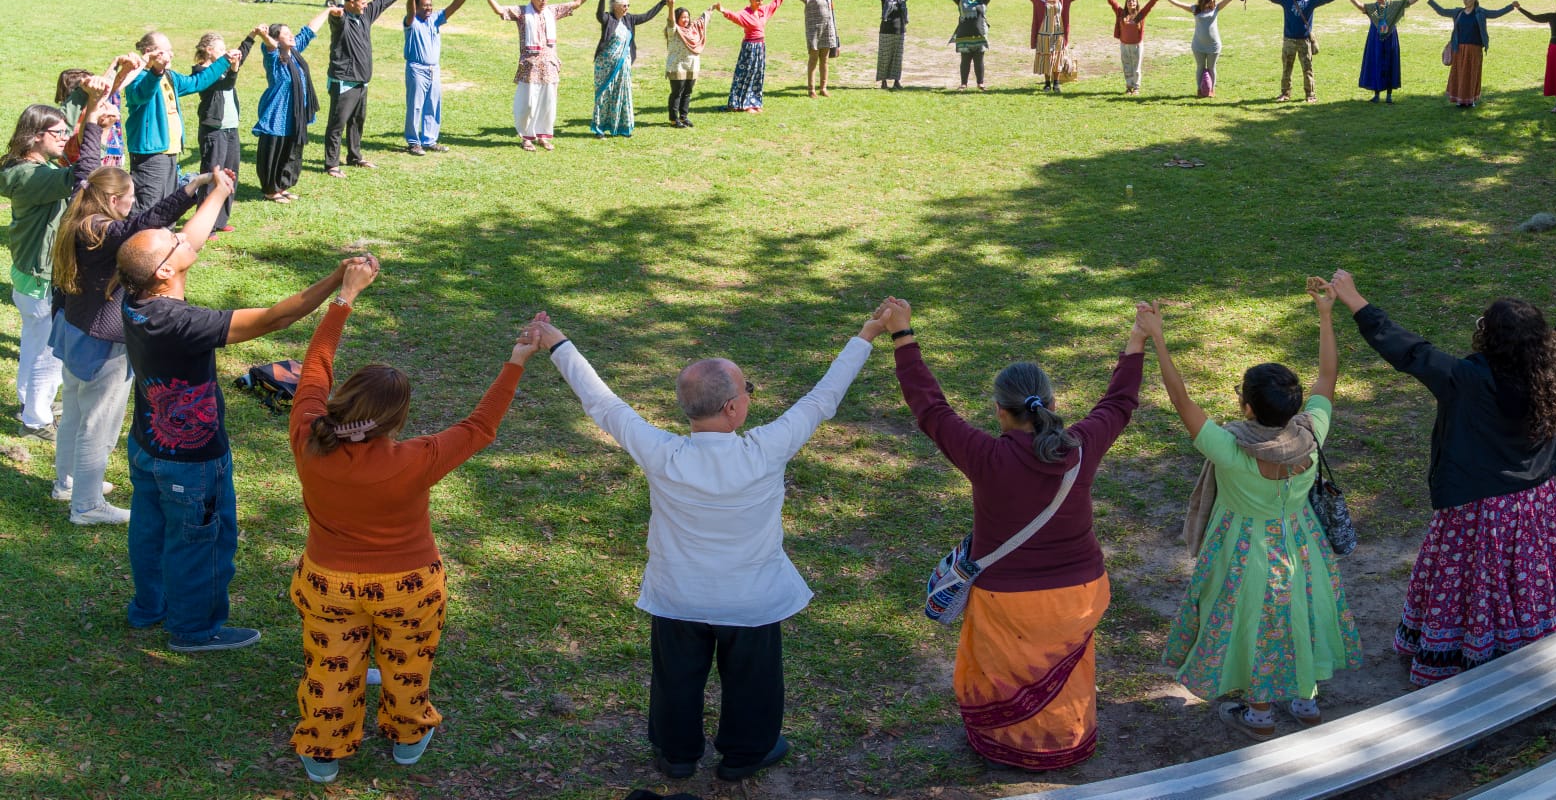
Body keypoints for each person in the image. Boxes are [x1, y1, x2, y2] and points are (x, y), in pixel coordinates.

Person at [526, 305, 887, 784]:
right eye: (748, 390)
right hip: (752, 600)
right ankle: (744, 756)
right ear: (734, 408)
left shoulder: (661, 452)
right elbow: (824, 397)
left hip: (678, 596)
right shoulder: (768, 448)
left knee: (675, 679)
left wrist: (558, 344)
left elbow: (603, 403)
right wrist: (866, 334)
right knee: (754, 684)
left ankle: (676, 756)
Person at [286, 257, 531, 784]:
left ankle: (323, 752)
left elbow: (313, 368)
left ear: (340, 400)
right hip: (410, 585)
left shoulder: (307, 434)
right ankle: (408, 735)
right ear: (396, 421)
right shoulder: (417, 458)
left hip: (327, 582)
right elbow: (481, 426)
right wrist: (516, 359)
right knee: (407, 662)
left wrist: (344, 299)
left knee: (331, 666)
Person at [1335, 215, 1556, 686]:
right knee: (1528, 575)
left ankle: (1474, 650)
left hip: (1478, 509)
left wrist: (1355, 299)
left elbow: (1407, 350)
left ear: (1488, 336)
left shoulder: (1464, 379)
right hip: (1534, 504)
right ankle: (1534, 638)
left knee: (1474, 581)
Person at [883, 297, 1143, 768]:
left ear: (1000, 412)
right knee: (1066, 674)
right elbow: (1119, 403)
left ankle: (1007, 745)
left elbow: (930, 408)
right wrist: (1137, 340)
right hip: (1079, 595)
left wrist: (904, 335)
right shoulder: (1080, 448)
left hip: (1008, 598)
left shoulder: (986, 455)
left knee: (1006, 670)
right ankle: (1067, 738)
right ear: (1053, 404)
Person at [113, 228, 366, 652]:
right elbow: (276, 318)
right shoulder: (182, 324)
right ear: (164, 270)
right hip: (192, 461)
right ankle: (194, 631)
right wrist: (340, 284)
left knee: (150, 529)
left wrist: (216, 191)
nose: (181, 235)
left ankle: (148, 607)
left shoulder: (133, 300)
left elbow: (184, 242)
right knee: (202, 541)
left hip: (146, 445)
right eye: (173, 238)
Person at [1155, 281, 1364, 737]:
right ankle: (1306, 702)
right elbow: (1327, 379)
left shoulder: (1230, 449)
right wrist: (1326, 314)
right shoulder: (1312, 433)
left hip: (1243, 551)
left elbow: (1180, 400)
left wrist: (1156, 337)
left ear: (1246, 406)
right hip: (1303, 544)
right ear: (1293, 406)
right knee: (1300, 613)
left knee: (1253, 624)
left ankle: (1260, 712)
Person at [53, 163, 233, 527]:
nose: (133, 207)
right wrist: (189, 191)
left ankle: (68, 483)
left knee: (74, 412)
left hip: (73, 331)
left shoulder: (80, 214)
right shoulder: (106, 233)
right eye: (130, 200)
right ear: (113, 200)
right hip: (102, 345)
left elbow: (88, 161)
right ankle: (86, 506)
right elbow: (147, 223)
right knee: (98, 423)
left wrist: (94, 121)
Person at [3, 80, 114, 442]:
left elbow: (60, 119)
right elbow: (81, 176)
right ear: (36, 136)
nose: (66, 137)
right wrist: (96, 124)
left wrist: (85, 94)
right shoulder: (32, 176)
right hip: (39, 277)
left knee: (35, 344)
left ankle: (30, 403)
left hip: (28, 275)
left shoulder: (25, 163)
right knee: (46, 353)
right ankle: (35, 419)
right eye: (59, 134)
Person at [474, 0, 603, 149]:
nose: (544, 2)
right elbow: (499, 10)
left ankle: (542, 136)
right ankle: (526, 137)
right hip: (530, 66)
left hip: (549, 66)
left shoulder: (552, 11)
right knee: (528, 103)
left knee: (548, 103)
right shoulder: (521, 13)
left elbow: (576, 3)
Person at [123, 32, 234, 209]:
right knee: (148, 206)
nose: (171, 54)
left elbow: (198, 81)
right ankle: (140, 237)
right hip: (150, 155)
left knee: (168, 205)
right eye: (166, 51)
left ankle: (167, 235)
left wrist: (225, 60)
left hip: (171, 151)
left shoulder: (170, 76)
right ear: (149, 52)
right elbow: (142, 95)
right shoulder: (136, 77)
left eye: (171, 50)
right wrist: (156, 71)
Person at [323, 0, 409, 178]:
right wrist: (335, 13)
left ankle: (354, 156)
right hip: (344, 81)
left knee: (357, 121)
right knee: (337, 124)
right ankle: (331, 165)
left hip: (361, 81)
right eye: (362, 2)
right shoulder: (342, 20)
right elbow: (336, 17)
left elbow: (382, 1)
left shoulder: (365, 15)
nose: (365, 5)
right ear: (351, 3)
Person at [252, 11, 332, 203]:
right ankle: (271, 190)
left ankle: (283, 185)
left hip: (295, 114)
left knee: (291, 152)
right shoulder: (273, 58)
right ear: (277, 39)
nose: (291, 36)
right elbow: (270, 45)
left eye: (291, 33)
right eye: (285, 34)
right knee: (274, 151)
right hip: (277, 113)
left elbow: (309, 30)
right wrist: (263, 34)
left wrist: (329, 11)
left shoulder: (295, 52)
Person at [191, 31, 256, 234]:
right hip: (214, 131)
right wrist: (234, 69)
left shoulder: (223, 67)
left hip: (230, 129)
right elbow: (226, 83)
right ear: (209, 51)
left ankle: (220, 220)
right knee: (212, 176)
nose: (225, 51)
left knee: (230, 174)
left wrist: (251, 37)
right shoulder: (201, 71)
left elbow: (239, 57)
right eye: (220, 48)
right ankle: (205, 225)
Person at [403, 0, 476, 156]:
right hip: (416, 69)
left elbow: (453, 7)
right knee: (415, 106)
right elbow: (410, 11)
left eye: (430, 5)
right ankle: (414, 142)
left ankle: (429, 140)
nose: (428, 8)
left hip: (434, 70)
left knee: (433, 105)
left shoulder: (435, 19)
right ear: (417, 7)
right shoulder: (411, 22)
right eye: (424, 5)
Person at [1006, 0, 1102, 93]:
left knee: (1057, 58)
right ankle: (1047, 84)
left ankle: (1056, 83)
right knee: (1046, 58)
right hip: (1043, 34)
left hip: (1058, 33)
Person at [592, 0, 670, 138]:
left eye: (628, 5)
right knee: (604, 95)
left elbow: (647, 16)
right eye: (624, 5)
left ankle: (622, 127)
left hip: (623, 65)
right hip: (605, 66)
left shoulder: (630, 19)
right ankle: (599, 129)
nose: (626, 8)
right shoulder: (608, 19)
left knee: (623, 94)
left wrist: (662, 3)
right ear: (615, 6)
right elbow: (598, 14)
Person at [1252, 0, 1340, 103]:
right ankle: (1285, 94)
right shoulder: (1287, 0)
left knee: (1307, 69)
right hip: (1289, 41)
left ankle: (1310, 95)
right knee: (1287, 68)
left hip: (1304, 41)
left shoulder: (1311, 0)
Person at [1341, 0, 1428, 103]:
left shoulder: (1392, 7)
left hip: (1390, 39)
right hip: (1375, 39)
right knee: (1376, 64)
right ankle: (1376, 95)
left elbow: (1408, 2)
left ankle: (1389, 95)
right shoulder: (1374, 9)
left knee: (1390, 64)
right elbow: (1360, 6)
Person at [1429, 0, 1515, 108]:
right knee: (1459, 74)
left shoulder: (1481, 12)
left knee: (1472, 74)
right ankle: (1460, 100)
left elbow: (1496, 13)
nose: (1465, 1)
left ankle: (1470, 100)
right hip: (1459, 49)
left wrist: (1511, 6)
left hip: (1475, 49)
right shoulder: (1458, 12)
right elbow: (1442, 11)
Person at [792, 0, 869, 98]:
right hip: (814, 32)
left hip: (828, 30)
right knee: (813, 60)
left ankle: (823, 88)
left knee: (825, 61)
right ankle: (811, 90)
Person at [715, 0, 788, 112]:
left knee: (757, 74)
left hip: (760, 47)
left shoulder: (763, 11)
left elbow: (774, 4)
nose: (760, 3)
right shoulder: (745, 14)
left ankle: (754, 103)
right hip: (749, 48)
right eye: (758, 1)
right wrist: (722, 10)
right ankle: (743, 104)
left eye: (761, 1)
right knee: (746, 75)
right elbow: (734, 16)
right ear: (751, 0)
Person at [865, 0, 933, 89]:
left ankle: (896, 81)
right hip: (885, 32)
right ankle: (884, 82)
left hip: (900, 31)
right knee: (884, 57)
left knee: (897, 58)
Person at [1160, 0, 1231, 98]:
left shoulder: (1216, 8)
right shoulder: (1196, 9)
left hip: (1213, 46)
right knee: (1200, 67)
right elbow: (1179, 4)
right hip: (1198, 46)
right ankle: (1199, 88)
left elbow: (1228, 0)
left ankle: (1212, 89)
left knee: (1212, 67)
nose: (1212, 0)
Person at [947, 0, 1003, 91]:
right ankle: (963, 84)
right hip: (964, 37)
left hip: (979, 36)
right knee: (965, 61)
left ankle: (980, 83)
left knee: (979, 61)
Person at [1105, 0, 1163, 95]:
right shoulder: (1121, 13)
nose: (1131, 3)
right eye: (1129, 1)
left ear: (1136, 4)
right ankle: (1129, 87)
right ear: (1126, 4)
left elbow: (1150, 5)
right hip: (1124, 45)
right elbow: (1112, 2)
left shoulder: (1140, 14)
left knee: (1136, 68)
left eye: (1133, 1)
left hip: (1137, 45)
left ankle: (1136, 88)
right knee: (1126, 66)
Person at [663, 6, 710, 128]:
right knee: (677, 93)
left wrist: (711, 9)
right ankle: (674, 119)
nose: (686, 20)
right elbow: (670, 21)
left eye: (687, 17)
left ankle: (683, 117)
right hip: (677, 66)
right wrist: (671, 7)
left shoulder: (692, 30)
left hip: (692, 66)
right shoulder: (673, 30)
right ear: (677, 18)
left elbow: (702, 20)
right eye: (683, 17)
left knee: (687, 93)